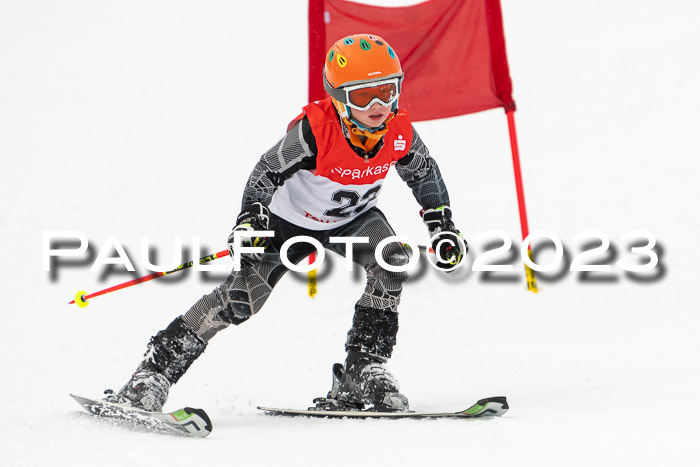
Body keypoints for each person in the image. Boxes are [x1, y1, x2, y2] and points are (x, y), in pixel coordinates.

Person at [105, 33, 467, 413]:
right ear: (340, 98)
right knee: (241, 301)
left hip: (352, 222)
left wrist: (442, 225)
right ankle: (153, 373)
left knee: (391, 259)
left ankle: (364, 370)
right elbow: (265, 172)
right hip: (287, 226)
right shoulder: (315, 131)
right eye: (363, 96)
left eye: (388, 91)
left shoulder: (400, 132)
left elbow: (425, 174)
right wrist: (251, 220)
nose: (379, 105)